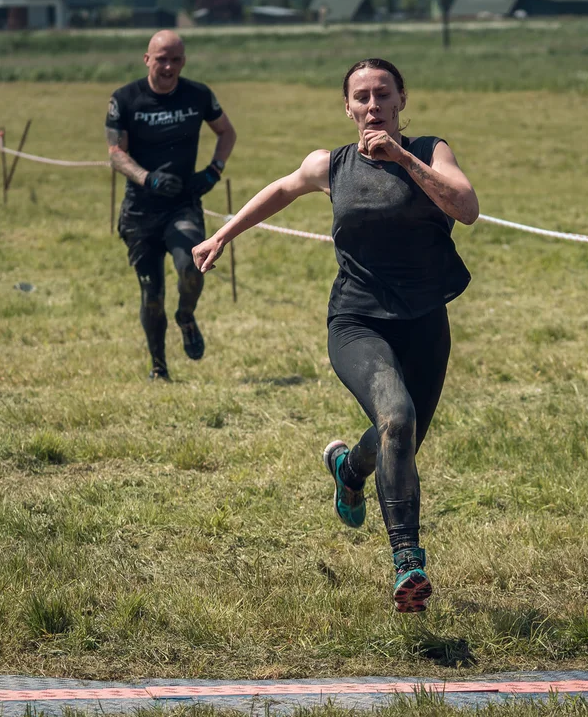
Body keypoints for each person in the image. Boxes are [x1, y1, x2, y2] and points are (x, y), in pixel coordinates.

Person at [192, 58, 479, 612]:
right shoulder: (331, 165)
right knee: (396, 418)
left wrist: (400, 156)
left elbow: (465, 208)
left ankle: (349, 470)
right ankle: (408, 565)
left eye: (383, 95)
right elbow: (281, 189)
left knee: (402, 437)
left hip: (424, 320)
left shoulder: (431, 150)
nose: (373, 106)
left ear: (402, 101)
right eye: (361, 97)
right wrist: (222, 236)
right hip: (358, 322)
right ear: (346, 107)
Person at [106, 30, 237, 381]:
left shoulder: (198, 94)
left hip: (182, 205)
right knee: (151, 293)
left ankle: (186, 315)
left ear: (183, 62)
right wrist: (147, 178)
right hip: (140, 211)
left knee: (194, 268)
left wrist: (213, 172)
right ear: (147, 59)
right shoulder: (125, 99)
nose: (168, 66)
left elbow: (227, 132)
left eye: (175, 59)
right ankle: (159, 368)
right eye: (161, 58)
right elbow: (116, 154)